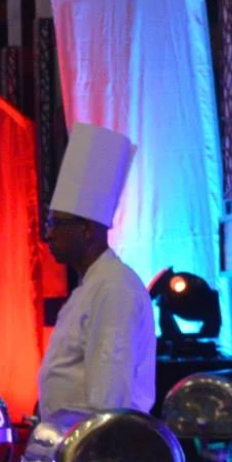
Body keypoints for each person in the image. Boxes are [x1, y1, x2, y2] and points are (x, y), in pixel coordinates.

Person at [37, 122, 155, 415]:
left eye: (56, 224)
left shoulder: (114, 288)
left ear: (87, 229)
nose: (48, 234)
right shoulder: (91, 286)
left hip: (97, 452)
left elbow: (108, 399)